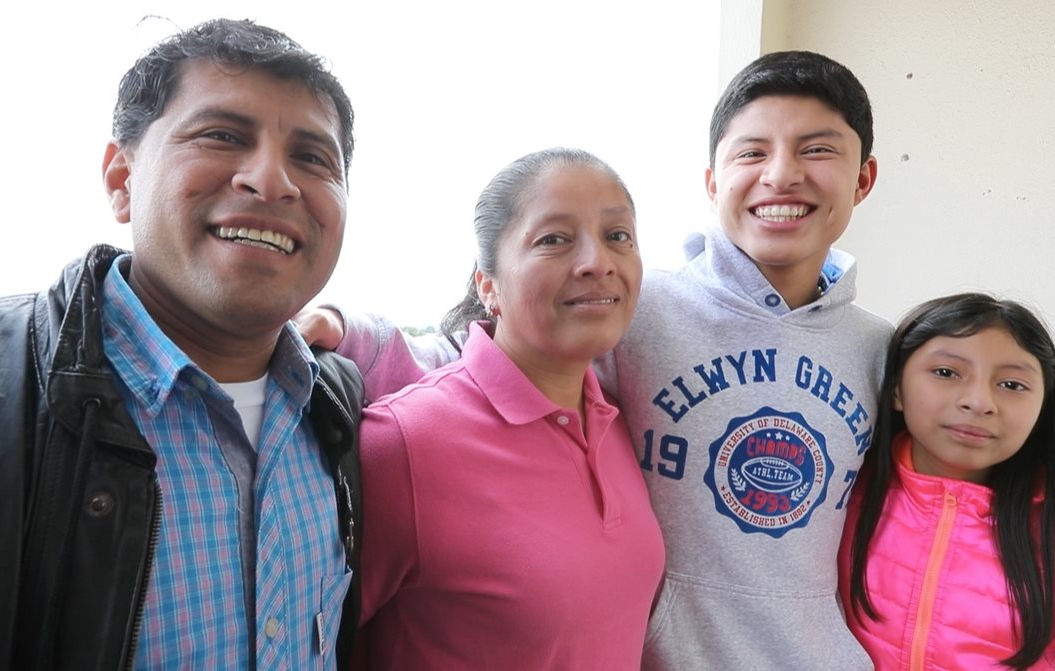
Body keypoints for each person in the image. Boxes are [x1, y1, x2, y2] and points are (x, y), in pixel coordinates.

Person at [298, 50, 888, 669]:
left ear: (864, 179)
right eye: (752, 152)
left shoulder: (881, 352)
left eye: (816, 150)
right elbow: (475, 360)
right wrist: (349, 332)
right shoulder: (638, 307)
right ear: (713, 182)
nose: (781, 175)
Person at [0, 19, 364, 670]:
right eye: (222, 135)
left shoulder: (338, 410)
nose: (272, 180)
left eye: (313, 158)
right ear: (121, 179)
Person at [355, 147, 664, 670]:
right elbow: (305, 640)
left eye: (618, 236)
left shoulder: (618, 420)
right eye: (554, 240)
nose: (598, 262)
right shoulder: (403, 444)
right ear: (488, 285)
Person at [839, 293, 1055, 670]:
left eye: (1012, 384)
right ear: (896, 388)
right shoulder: (836, 500)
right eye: (946, 373)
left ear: (1043, 406)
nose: (978, 401)